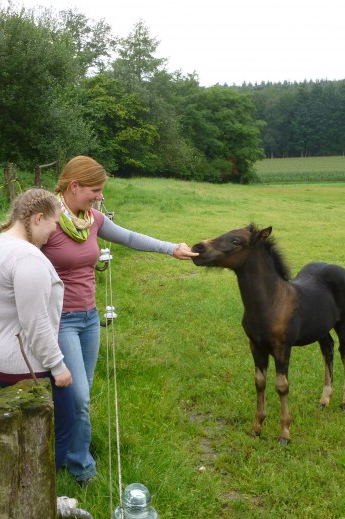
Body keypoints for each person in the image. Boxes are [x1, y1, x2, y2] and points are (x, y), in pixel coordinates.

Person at [41, 156, 198, 484]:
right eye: (95, 190)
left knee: (79, 395)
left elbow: (129, 237)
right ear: (74, 186)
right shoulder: (46, 221)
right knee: (80, 397)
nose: (99, 197)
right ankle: (81, 468)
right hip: (60, 321)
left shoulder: (91, 220)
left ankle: (65, 453)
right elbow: (14, 245)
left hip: (89, 318)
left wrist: (172, 248)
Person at [0, 188, 74, 470]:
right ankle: (42, 486)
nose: (54, 231)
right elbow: (36, 322)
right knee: (65, 425)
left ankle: (22, 471)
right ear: (38, 218)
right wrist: (58, 368)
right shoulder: (27, 259)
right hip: (22, 363)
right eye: (54, 224)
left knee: (27, 428)